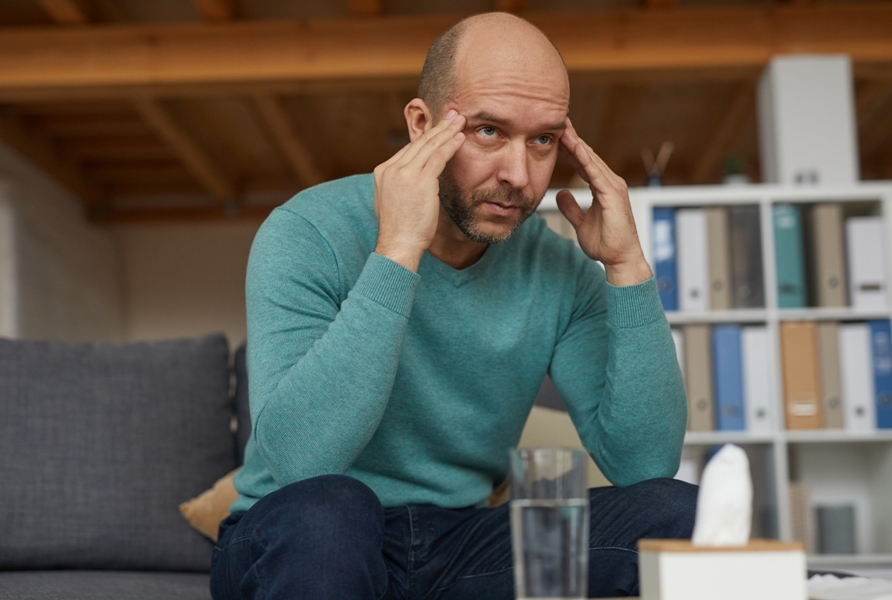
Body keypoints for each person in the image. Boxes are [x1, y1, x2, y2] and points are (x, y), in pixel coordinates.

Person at [211, 11, 695, 600]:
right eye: (488, 130)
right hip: (302, 532)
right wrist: (397, 249)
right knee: (331, 511)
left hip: (462, 541)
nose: (519, 175)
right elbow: (299, 463)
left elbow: (643, 467)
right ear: (422, 124)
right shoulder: (307, 232)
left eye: (542, 139)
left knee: (676, 511)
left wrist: (627, 269)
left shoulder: (558, 268)